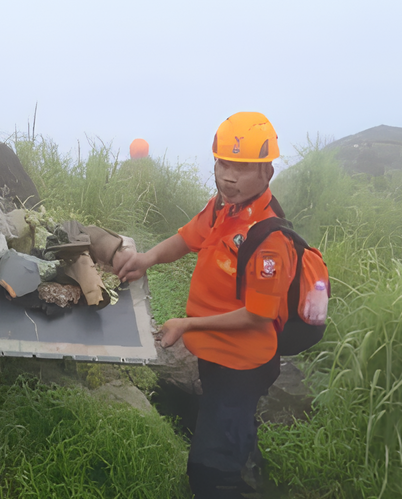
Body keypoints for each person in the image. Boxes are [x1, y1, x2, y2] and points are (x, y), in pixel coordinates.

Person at [116, 112, 295, 498]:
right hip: (216, 357)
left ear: (267, 173)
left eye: (242, 167)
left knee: (208, 474)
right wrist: (146, 258)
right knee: (230, 432)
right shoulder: (224, 208)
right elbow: (187, 237)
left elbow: (257, 314)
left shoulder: (268, 238)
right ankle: (246, 463)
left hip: (242, 366)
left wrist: (188, 325)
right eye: (223, 163)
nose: (228, 176)